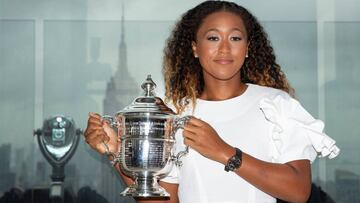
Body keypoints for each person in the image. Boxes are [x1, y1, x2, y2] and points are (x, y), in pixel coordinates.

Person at [84, 1, 340, 202]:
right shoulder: (175, 116)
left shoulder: (275, 104)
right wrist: (116, 152)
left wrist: (223, 151)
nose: (225, 48)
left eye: (235, 38)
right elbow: (165, 201)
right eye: (213, 38)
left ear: (248, 47)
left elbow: (298, 190)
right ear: (195, 48)